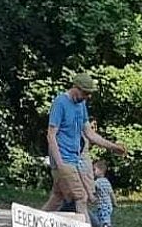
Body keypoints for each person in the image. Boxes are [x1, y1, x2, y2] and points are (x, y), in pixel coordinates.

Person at [43, 72, 127, 212]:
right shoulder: (60, 103)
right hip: (63, 159)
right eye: (86, 93)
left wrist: (113, 147)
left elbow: (89, 133)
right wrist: (60, 164)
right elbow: (51, 136)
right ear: (76, 88)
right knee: (81, 197)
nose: (88, 97)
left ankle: (35, 225)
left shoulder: (81, 105)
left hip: (74, 159)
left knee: (58, 197)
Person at [91, 158, 117, 227]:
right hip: (108, 205)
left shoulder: (97, 182)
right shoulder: (107, 181)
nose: (93, 172)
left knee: (105, 222)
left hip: (102, 206)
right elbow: (111, 193)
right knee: (106, 220)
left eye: (94, 170)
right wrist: (114, 202)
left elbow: (92, 190)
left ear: (100, 171)